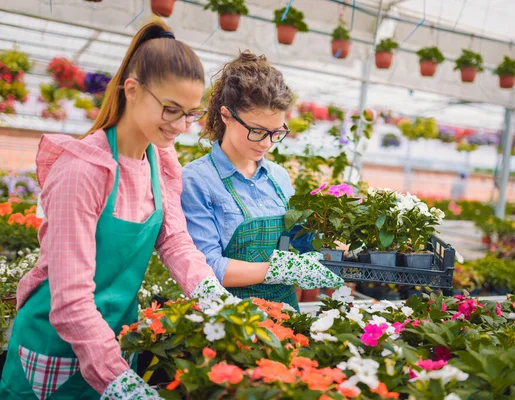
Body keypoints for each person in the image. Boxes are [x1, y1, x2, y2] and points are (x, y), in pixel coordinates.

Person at [0, 19, 232, 400]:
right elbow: (71, 300)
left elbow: (174, 240)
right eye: (171, 109)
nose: (181, 126)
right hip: (54, 350)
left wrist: (215, 299)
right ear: (133, 90)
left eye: (190, 113)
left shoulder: (160, 161)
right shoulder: (83, 171)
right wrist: (119, 382)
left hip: (116, 342)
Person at [181, 51, 343, 312]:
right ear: (226, 115)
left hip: (286, 312)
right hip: (230, 319)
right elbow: (207, 267)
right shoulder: (198, 180)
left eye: (276, 132)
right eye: (256, 131)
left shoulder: (277, 176)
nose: (267, 143)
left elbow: (298, 240)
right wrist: (279, 269)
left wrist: (335, 240)